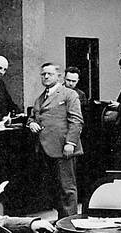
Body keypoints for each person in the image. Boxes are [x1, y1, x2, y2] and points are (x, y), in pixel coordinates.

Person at [28, 63, 83, 219]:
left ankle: (69, 224)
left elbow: (76, 120)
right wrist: (31, 122)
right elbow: (34, 116)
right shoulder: (40, 97)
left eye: (49, 74)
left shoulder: (68, 94)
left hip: (63, 148)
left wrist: (70, 143)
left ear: (58, 76)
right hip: (46, 149)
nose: (45, 77)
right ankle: (61, 222)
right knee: (55, 189)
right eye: (43, 74)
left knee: (67, 189)